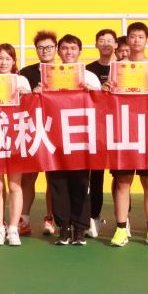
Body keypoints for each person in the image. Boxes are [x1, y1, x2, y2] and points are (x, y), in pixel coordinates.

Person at [106, 23, 148, 248]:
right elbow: (110, 98)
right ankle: (121, 229)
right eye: (132, 37)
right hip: (124, 130)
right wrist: (107, 88)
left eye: (140, 37)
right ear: (128, 40)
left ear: (146, 40)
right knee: (123, 182)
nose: (136, 41)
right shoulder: (117, 67)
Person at [45, 34, 103, 245]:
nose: (68, 52)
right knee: (58, 184)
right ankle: (63, 227)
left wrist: (92, 93)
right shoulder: (48, 75)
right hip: (56, 139)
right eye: (64, 48)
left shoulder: (90, 77)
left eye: (73, 48)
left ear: (80, 51)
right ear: (58, 51)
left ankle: (80, 228)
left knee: (81, 184)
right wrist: (39, 92)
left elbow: (101, 106)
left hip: (81, 139)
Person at [0, 44, 32, 247]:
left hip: (15, 135)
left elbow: (32, 107)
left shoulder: (22, 81)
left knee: (14, 185)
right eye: (0, 58)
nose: (4, 62)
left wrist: (26, 95)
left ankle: (13, 228)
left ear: (14, 62)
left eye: (8, 59)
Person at [18, 31, 59, 237]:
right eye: (41, 48)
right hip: (32, 128)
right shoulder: (25, 72)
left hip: (57, 129)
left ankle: (51, 218)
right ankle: (23, 219)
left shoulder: (65, 71)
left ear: (56, 49)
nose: (45, 51)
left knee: (53, 178)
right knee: (28, 177)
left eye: (49, 47)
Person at [84, 28, 118, 238]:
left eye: (109, 41)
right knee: (94, 176)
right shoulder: (87, 70)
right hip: (94, 129)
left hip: (119, 128)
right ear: (96, 44)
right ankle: (92, 217)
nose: (106, 44)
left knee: (121, 176)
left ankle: (124, 220)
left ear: (116, 45)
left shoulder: (123, 69)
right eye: (101, 40)